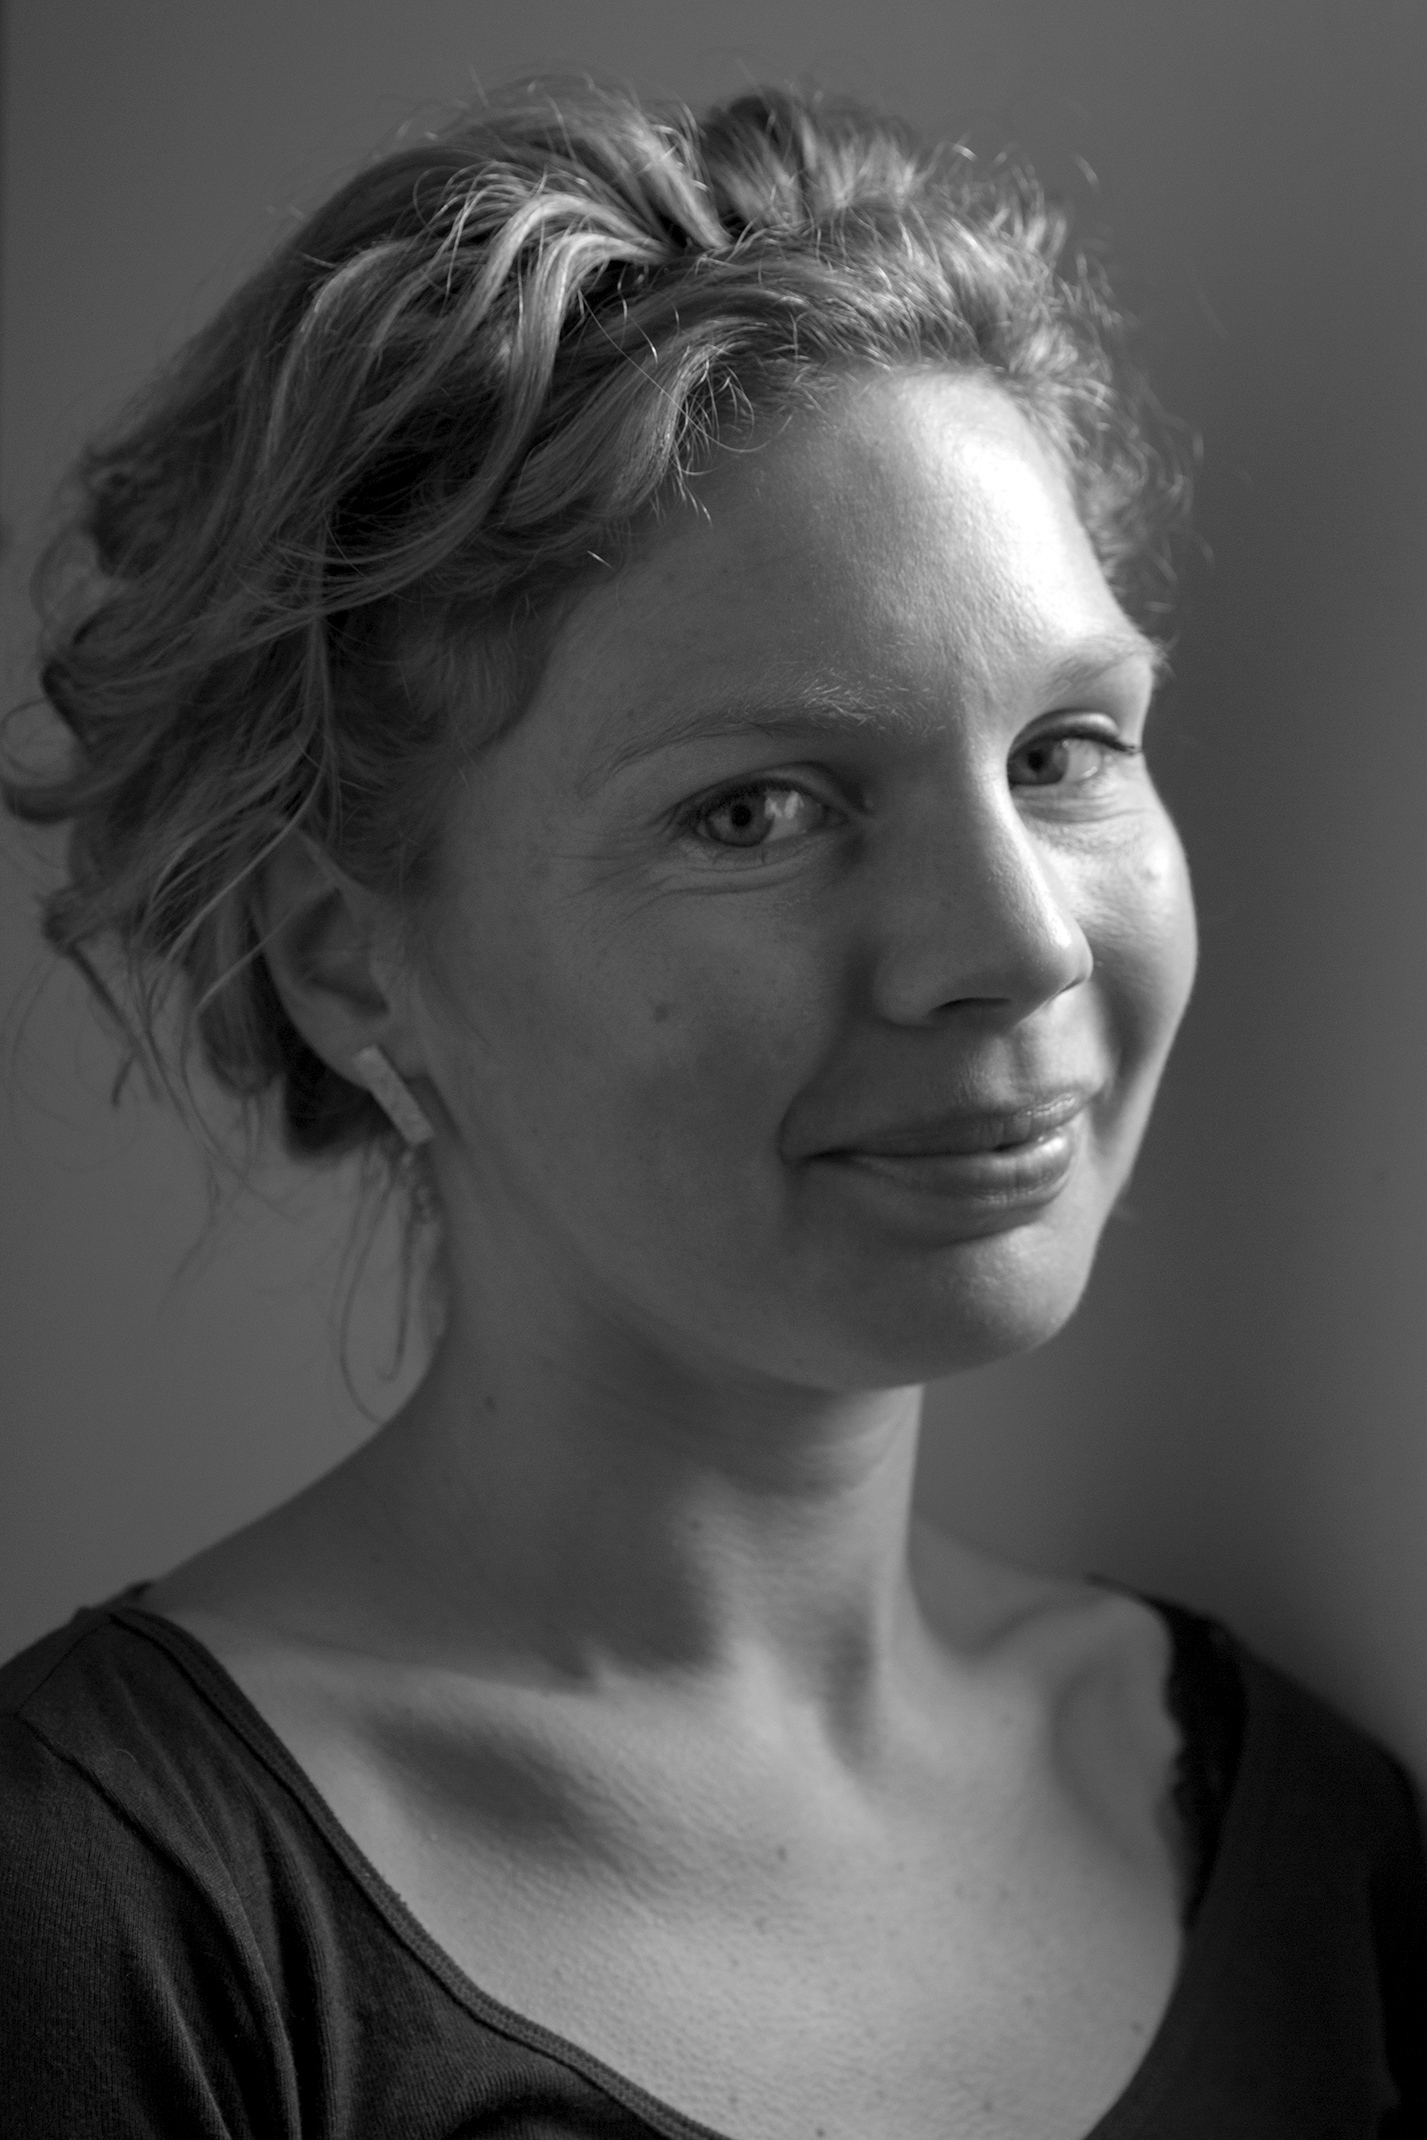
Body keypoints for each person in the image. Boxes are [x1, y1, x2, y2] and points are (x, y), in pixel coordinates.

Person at [1, 80, 1423, 2140]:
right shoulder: (97, 1913)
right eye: (759, 809)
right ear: (350, 965)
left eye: (1065, 750)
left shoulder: (1311, 1847)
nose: (1016, 945)